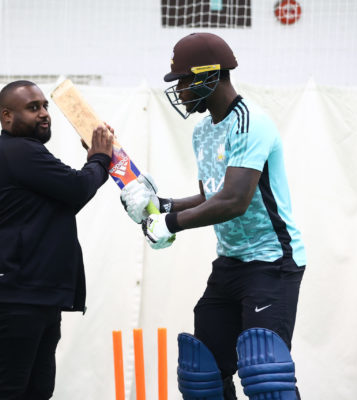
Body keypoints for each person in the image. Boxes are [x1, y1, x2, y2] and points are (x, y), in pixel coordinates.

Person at [120, 33, 306, 400]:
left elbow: (235, 200)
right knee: (201, 374)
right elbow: (211, 196)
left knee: (265, 373)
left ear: (209, 76)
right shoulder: (204, 132)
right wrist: (164, 205)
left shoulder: (251, 123)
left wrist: (170, 224)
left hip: (271, 263)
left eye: (185, 81)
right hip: (230, 264)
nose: (180, 90)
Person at [0, 80, 114, 399]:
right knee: (11, 390)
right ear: (7, 116)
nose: (44, 113)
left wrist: (95, 160)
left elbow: (69, 197)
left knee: (37, 390)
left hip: (32, 293)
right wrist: (100, 158)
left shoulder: (24, 154)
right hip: (13, 292)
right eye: (33, 108)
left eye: (45, 106)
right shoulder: (18, 150)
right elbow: (77, 187)